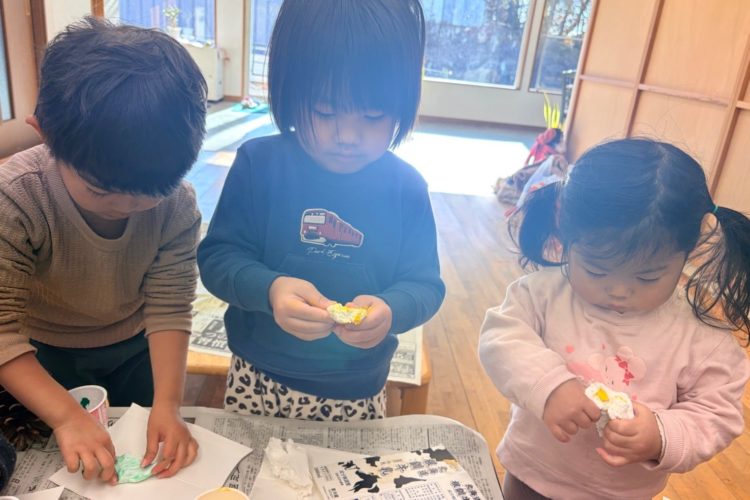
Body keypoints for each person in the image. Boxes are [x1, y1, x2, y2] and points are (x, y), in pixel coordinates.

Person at [198, 0, 445, 422]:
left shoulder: (406, 188)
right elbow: (219, 258)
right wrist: (270, 288)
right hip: (258, 374)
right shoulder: (259, 165)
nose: (347, 135)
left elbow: (424, 285)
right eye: (325, 111)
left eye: (373, 115)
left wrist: (391, 310)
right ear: (289, 92)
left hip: (357, 383)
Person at [479, 138, 750, 499]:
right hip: (533, 475)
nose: (619, 291)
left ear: (692, 245)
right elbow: (501, 339)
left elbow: (717, 412)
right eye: (596, 270)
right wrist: (550, 385)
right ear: (564, 228)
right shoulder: (542, 294)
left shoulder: (698, 337)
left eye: (647, 277)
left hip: (622, 493)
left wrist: (661, 434)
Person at [0, 17, 206, 483]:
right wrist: (65, 416)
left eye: (151, 193)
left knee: (142, 446)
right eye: (102, 190)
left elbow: (170, 304)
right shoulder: (16, 198)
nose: (128, 206)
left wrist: (169, 405)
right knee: (52, 461)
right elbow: (2, 329)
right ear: (45, 135)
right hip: (39, 355)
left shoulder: (177, 204)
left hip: (136, 347)